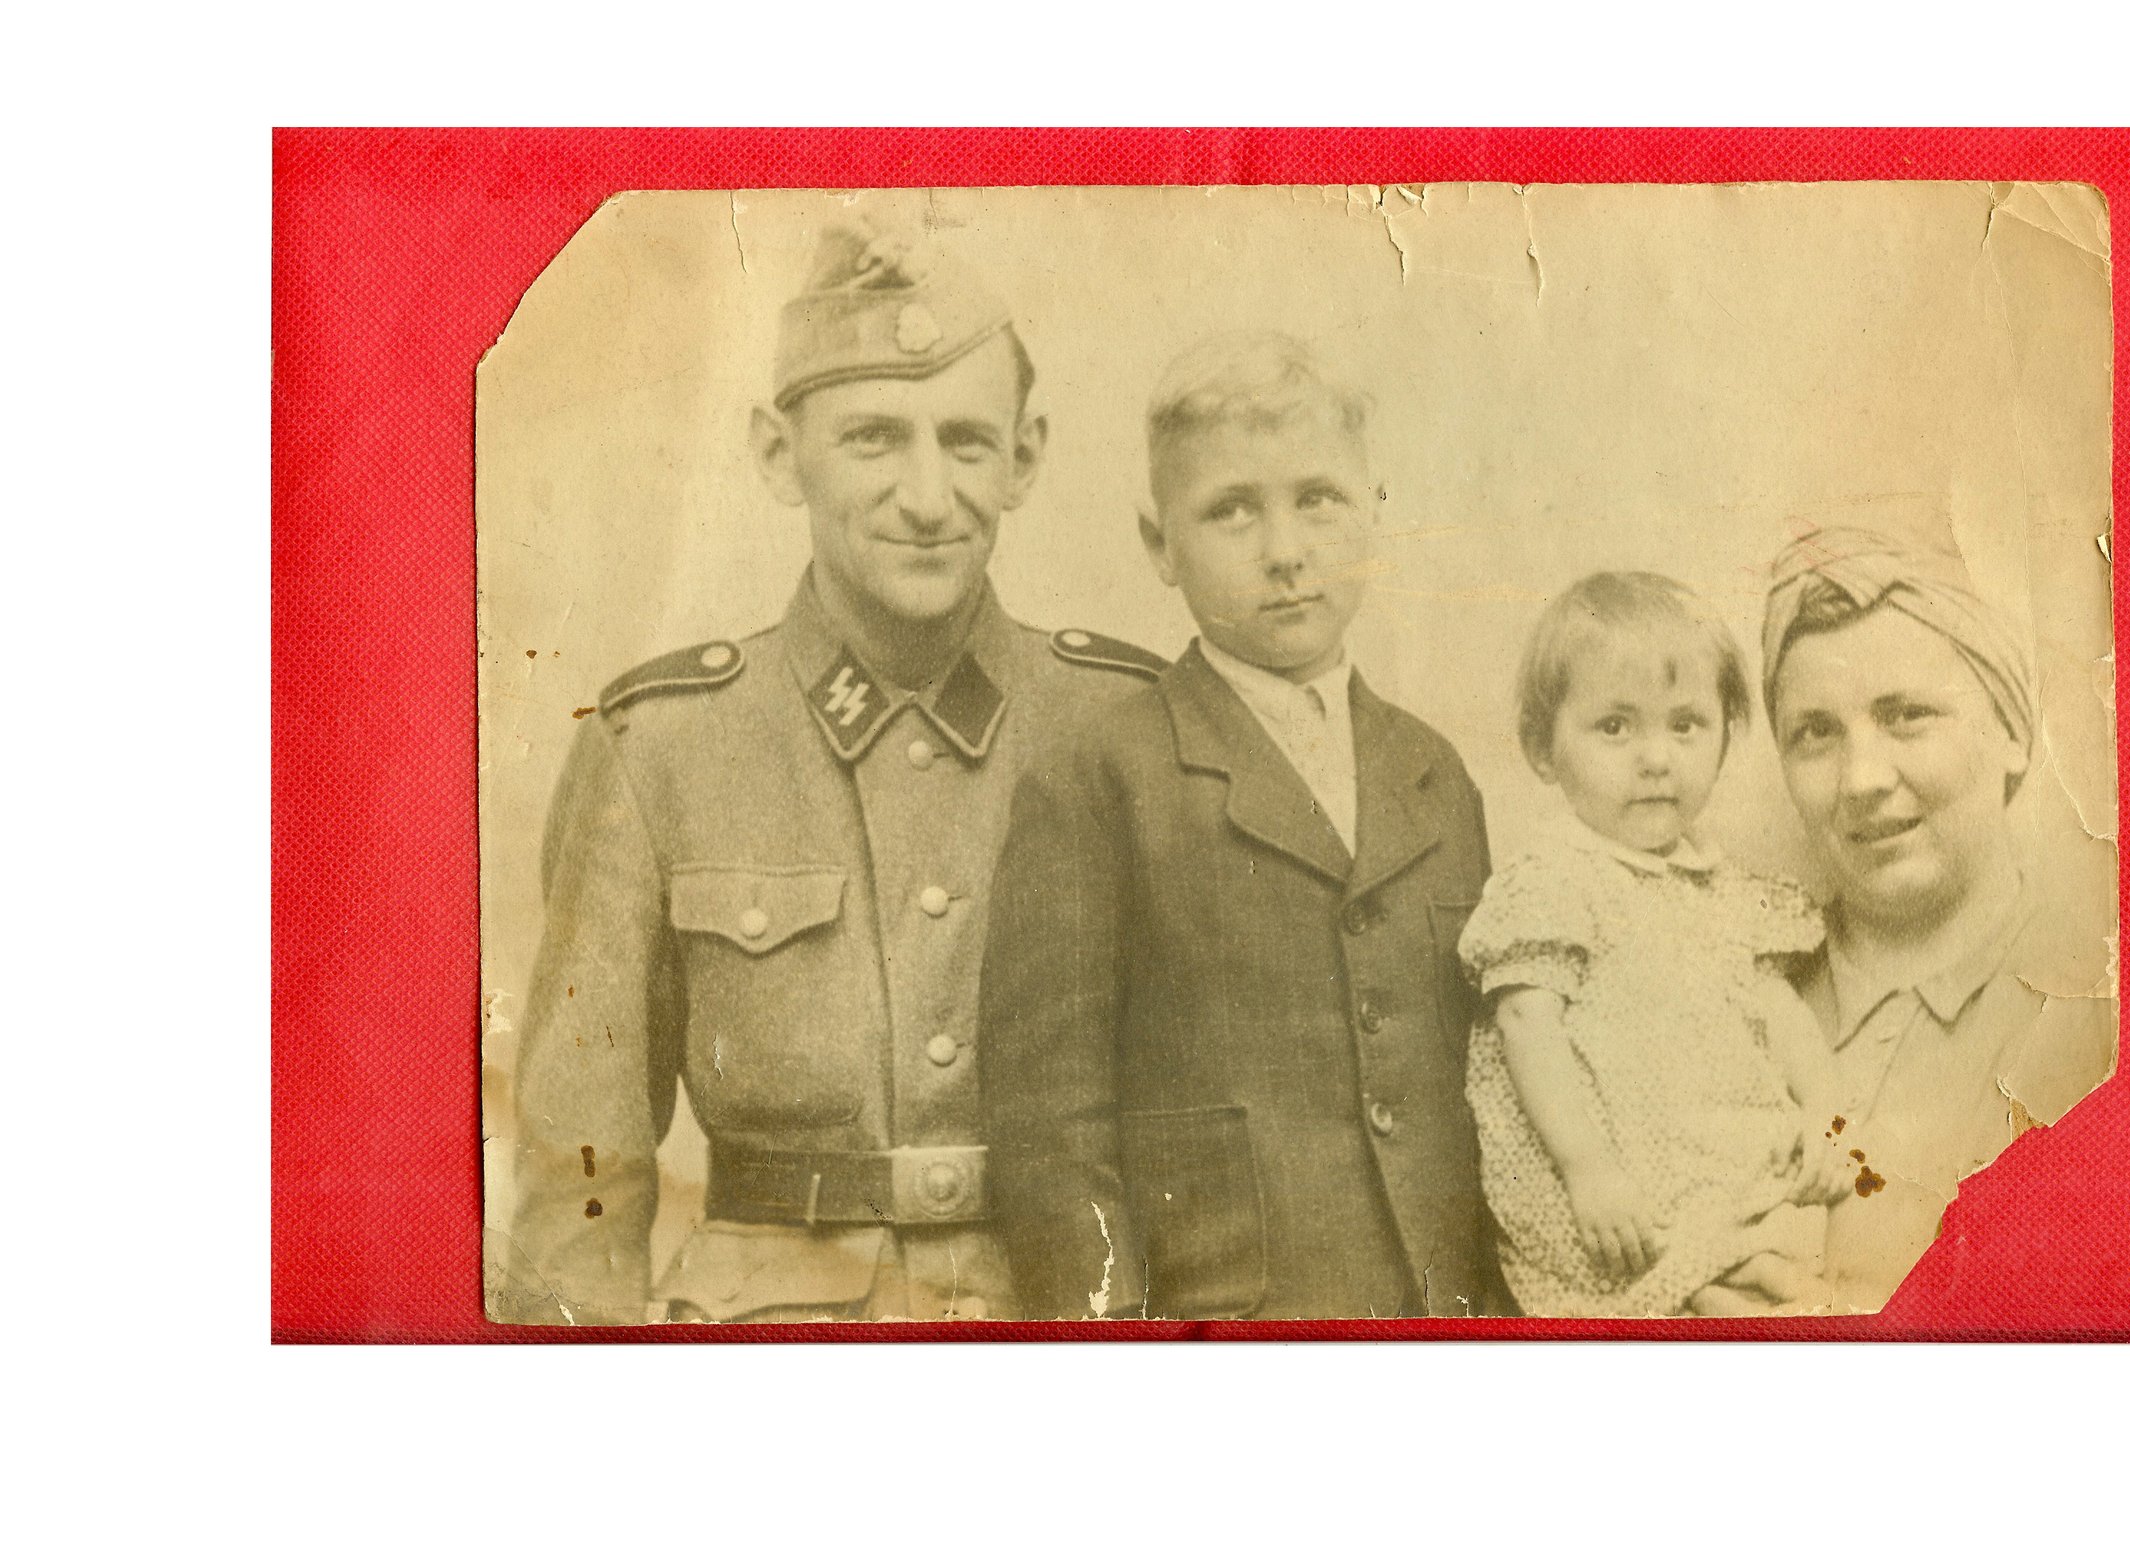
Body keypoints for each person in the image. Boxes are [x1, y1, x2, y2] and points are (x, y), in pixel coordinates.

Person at [501, 217, 1165, 1324]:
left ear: (1026, 458)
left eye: (965, 441)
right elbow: (581, 1182)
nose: (924, 494)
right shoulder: (658, 745)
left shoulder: (1121, 722)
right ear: (777, 453)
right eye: (871, 438)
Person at [979, 331, 1504, 1320]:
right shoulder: (1099, 776)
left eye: (1319, 498)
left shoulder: (1432, 773)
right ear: (1157, 543)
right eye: (1231, 510)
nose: (1286, 551)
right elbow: (1052, 1134)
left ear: (1374, 514)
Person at [1690, 526, 2113, 1315]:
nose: (1862, 779)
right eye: (1816, 732)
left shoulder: (2101, 1009)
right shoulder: (1728, 996)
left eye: (1908, 714)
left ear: (2015, 735)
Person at [1457, 572, 1854, 1317]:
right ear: (1544, 750)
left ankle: (1754, 1288)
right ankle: (1706, 1292)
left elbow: (1784, 1018)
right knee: (1662, 1264)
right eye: (1615, 727)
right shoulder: (1555, 880)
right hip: (1603, 1163)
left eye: (1685, 725)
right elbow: (1525, 1023)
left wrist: (1827, 1117)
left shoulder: (1727, 887)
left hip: (1707, 1151)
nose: (1656, 758)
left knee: (1791, 1237)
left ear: (1725, 736)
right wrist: (1588, 1168)